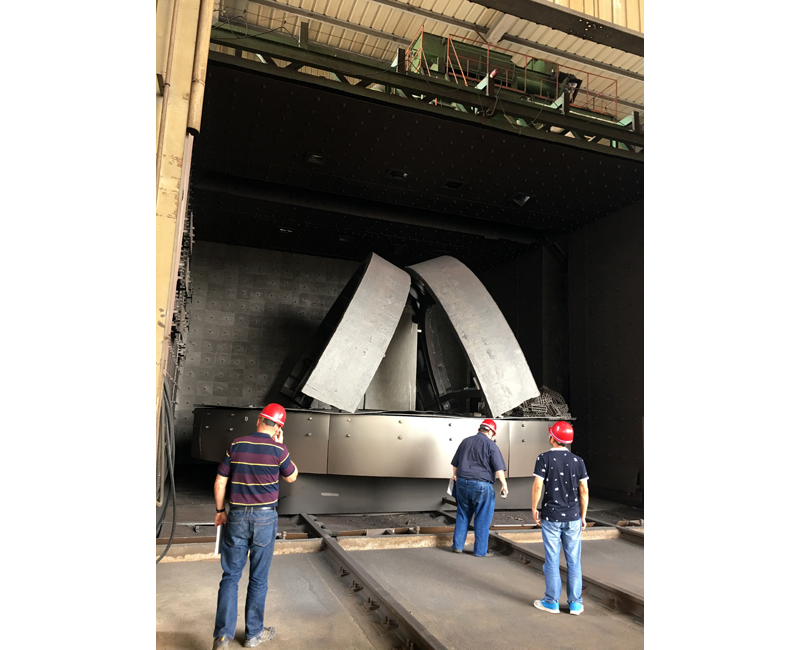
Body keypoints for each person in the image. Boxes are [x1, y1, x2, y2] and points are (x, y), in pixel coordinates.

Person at [211, 404, 299, 650]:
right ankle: (253, 634)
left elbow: (220, 482)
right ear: (278, 428)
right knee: (258, 578)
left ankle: (222, 637)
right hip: (265, 519)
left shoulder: (236, 444)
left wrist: (220, 511)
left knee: (230, 576)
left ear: (259, 420)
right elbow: (291, 476)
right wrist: (281, 444)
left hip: (237, 517)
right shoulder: (279, 449)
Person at [531, 421, 589, 616]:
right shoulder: (578, 461)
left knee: (552, 559)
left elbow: (538, 485)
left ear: (552, 437)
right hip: (573, 517)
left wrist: (534, 508)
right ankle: (575, 604)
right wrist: (583, 515)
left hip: (551, 517)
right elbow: (584, 490)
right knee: (574, 561)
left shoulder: (544, 458)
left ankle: (551, 602)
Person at [450, 418, 509, 557]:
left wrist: (455, 476)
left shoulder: (466, 441)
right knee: (482, 518)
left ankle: (457, 546)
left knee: (463, 514)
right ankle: (480, 551)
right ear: (491, 431)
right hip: (482, 486)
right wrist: (504, 484)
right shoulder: (491, 445)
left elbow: (455, 463)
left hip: (462, 483)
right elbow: (499, 468)